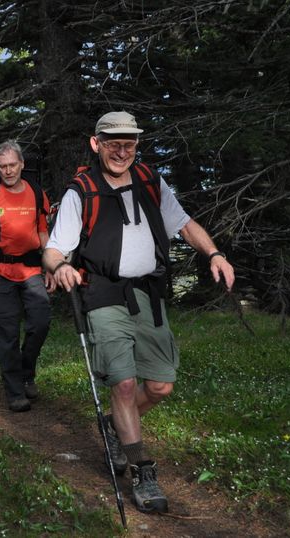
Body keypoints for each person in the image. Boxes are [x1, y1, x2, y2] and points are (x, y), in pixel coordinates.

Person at [43, 111, 235, 514]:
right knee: (125, 385)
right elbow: (54, 248)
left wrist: (215, 253)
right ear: (96, 144)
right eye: (112, 142)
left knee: (161, 385)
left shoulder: (151, 180)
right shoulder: (82, 191)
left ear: (137, 146)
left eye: (128, 143)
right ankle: (142, 471)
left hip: (147, 293)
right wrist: (60, 267)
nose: (121, 150)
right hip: (102, 292)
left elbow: (184, 225)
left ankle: (115, 428)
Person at [0, 140, 55, 412]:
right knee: (5, 334)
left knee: (40, 323)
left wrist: (51, 266)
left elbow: (43, 233)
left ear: (22, 164)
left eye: (12, 165)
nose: (8, 171)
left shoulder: (38, 193)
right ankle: (15, 391)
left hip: (31, 271)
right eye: (2, 166)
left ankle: (26, 372)